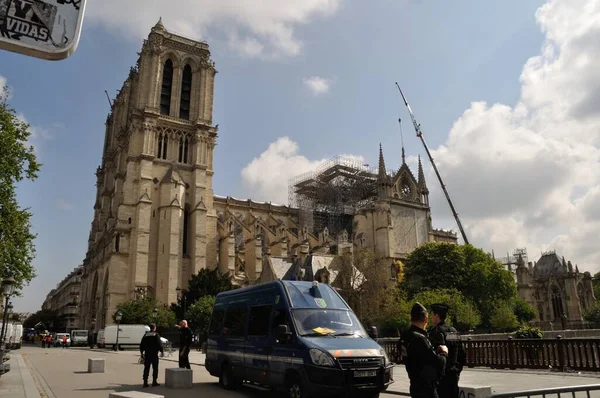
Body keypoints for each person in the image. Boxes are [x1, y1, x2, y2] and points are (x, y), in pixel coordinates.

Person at [401, 302, 448, 398]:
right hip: (426, 388)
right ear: (426, 319)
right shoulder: (420, 339)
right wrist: (444, 352)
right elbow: (437, 363)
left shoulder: (405, 336)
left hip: (414, 383)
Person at [428, 303, 467, 398]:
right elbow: (462, 354)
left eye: (432, 314)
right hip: (453, 375)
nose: (431, 317)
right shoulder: (452, 330)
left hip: (441, 377)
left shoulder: (435, 332)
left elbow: (431, 357)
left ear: (436, 316)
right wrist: (457, 370)